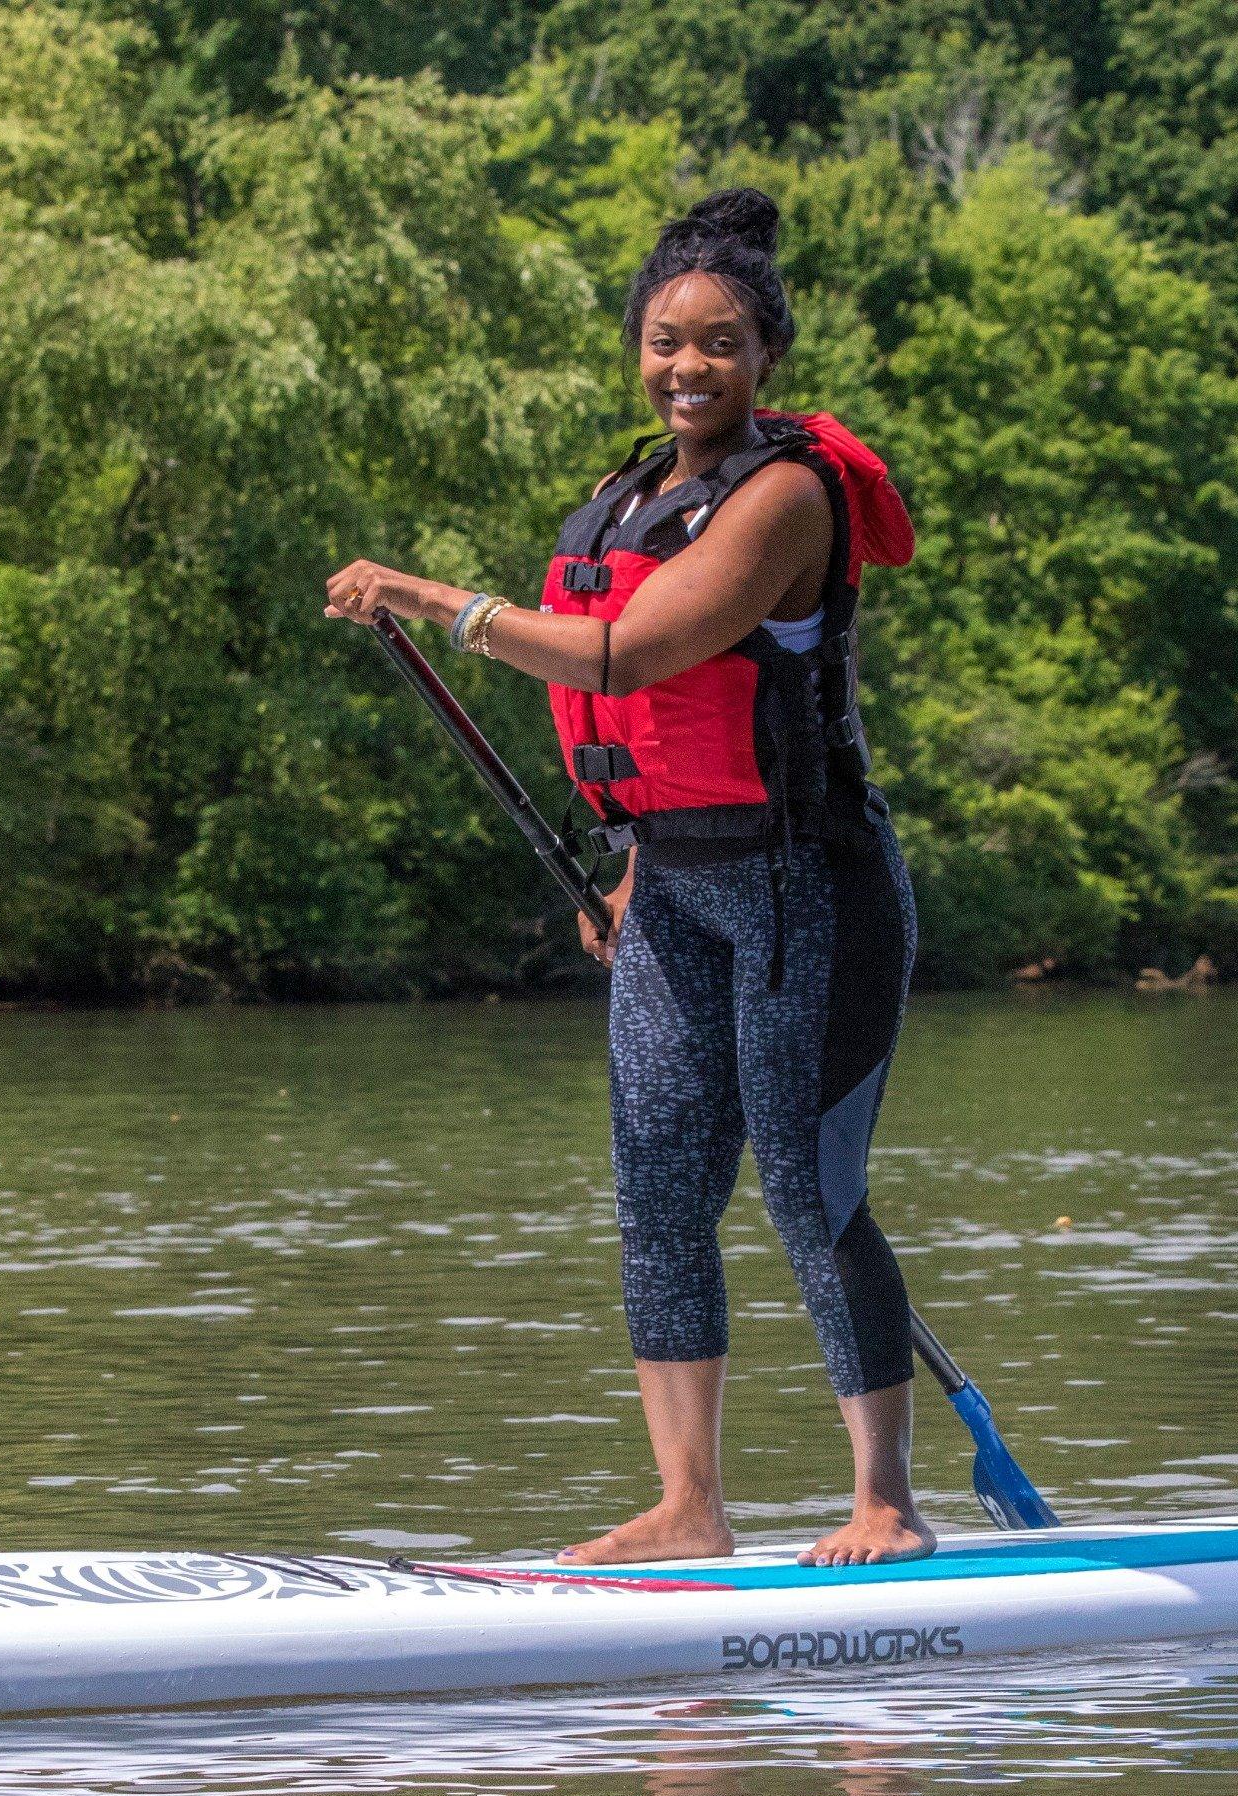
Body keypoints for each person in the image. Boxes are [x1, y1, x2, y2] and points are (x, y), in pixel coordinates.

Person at [325, 189, 932, 1567]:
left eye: (719, 343)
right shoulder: (621, 504)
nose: (687, 369)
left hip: (807, 892)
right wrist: (633, 872)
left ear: (766, 354)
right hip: (674, 893)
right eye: (665, 341)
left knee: (805, 1188)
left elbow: (624, 659)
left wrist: (432, 600)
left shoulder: (785, 496)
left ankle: (885, 1501)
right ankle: (689, 1504)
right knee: (659, 1194)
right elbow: (656, 735)